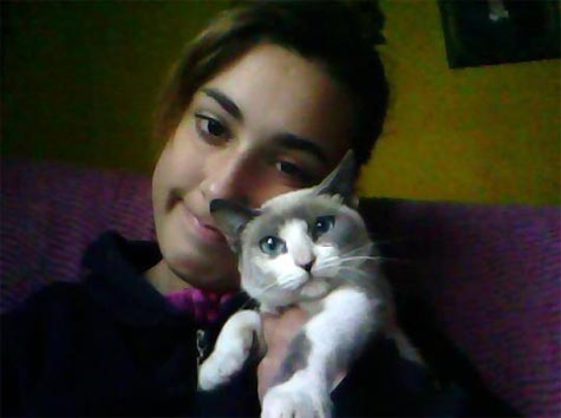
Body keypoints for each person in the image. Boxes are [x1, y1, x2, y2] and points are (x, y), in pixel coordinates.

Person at [1, 2, 516, 417]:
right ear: (173, 119)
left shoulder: (382, 327)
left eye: (289, 165)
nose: (223, 185)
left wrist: (355, 379)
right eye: (213, 127)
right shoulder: (47, 334)